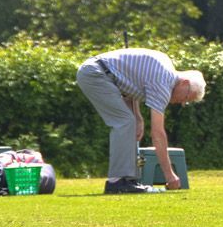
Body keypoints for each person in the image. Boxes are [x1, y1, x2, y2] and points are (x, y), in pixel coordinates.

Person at [76, 48, 206, 194]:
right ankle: (117, 182)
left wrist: (138, 117)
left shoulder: (165, 67)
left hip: (99, 71)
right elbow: (158, 133)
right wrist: (169, 176)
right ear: (184, 83)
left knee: (129, 121)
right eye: (187, 97)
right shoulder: (164, 83)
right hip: (95, 74)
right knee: (124, 122)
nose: (182, 103)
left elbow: (130, 86)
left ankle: (128, 180)